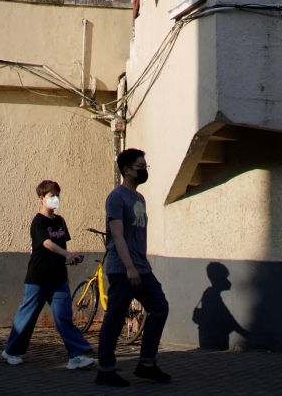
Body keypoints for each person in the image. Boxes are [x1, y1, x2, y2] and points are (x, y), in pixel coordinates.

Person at [95, 149, 171, 387]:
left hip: (141, 267)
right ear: (127, 170)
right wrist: (129, 268)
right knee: (115, 319)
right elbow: (117, 235)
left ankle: (146, 364)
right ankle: (105, 370)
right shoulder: (116, 198)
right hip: (123, 268)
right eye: (140, 166)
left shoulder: (139, 198)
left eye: (145, 166)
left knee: (160, 308)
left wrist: (139, 266)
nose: (144, 170)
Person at [2, 180, 95, 369]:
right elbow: (46, 243)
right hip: (38, 278)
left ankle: (76, 355)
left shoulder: (60, 221)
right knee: (27, 317)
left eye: (57, 195)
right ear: (41, 199)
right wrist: (66, 254)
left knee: (63, 317)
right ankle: (12, 351)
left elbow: (62, 246)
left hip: (58, 279)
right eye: (51, 196)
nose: (55, 199)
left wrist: (68, 263)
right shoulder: (38, 221)